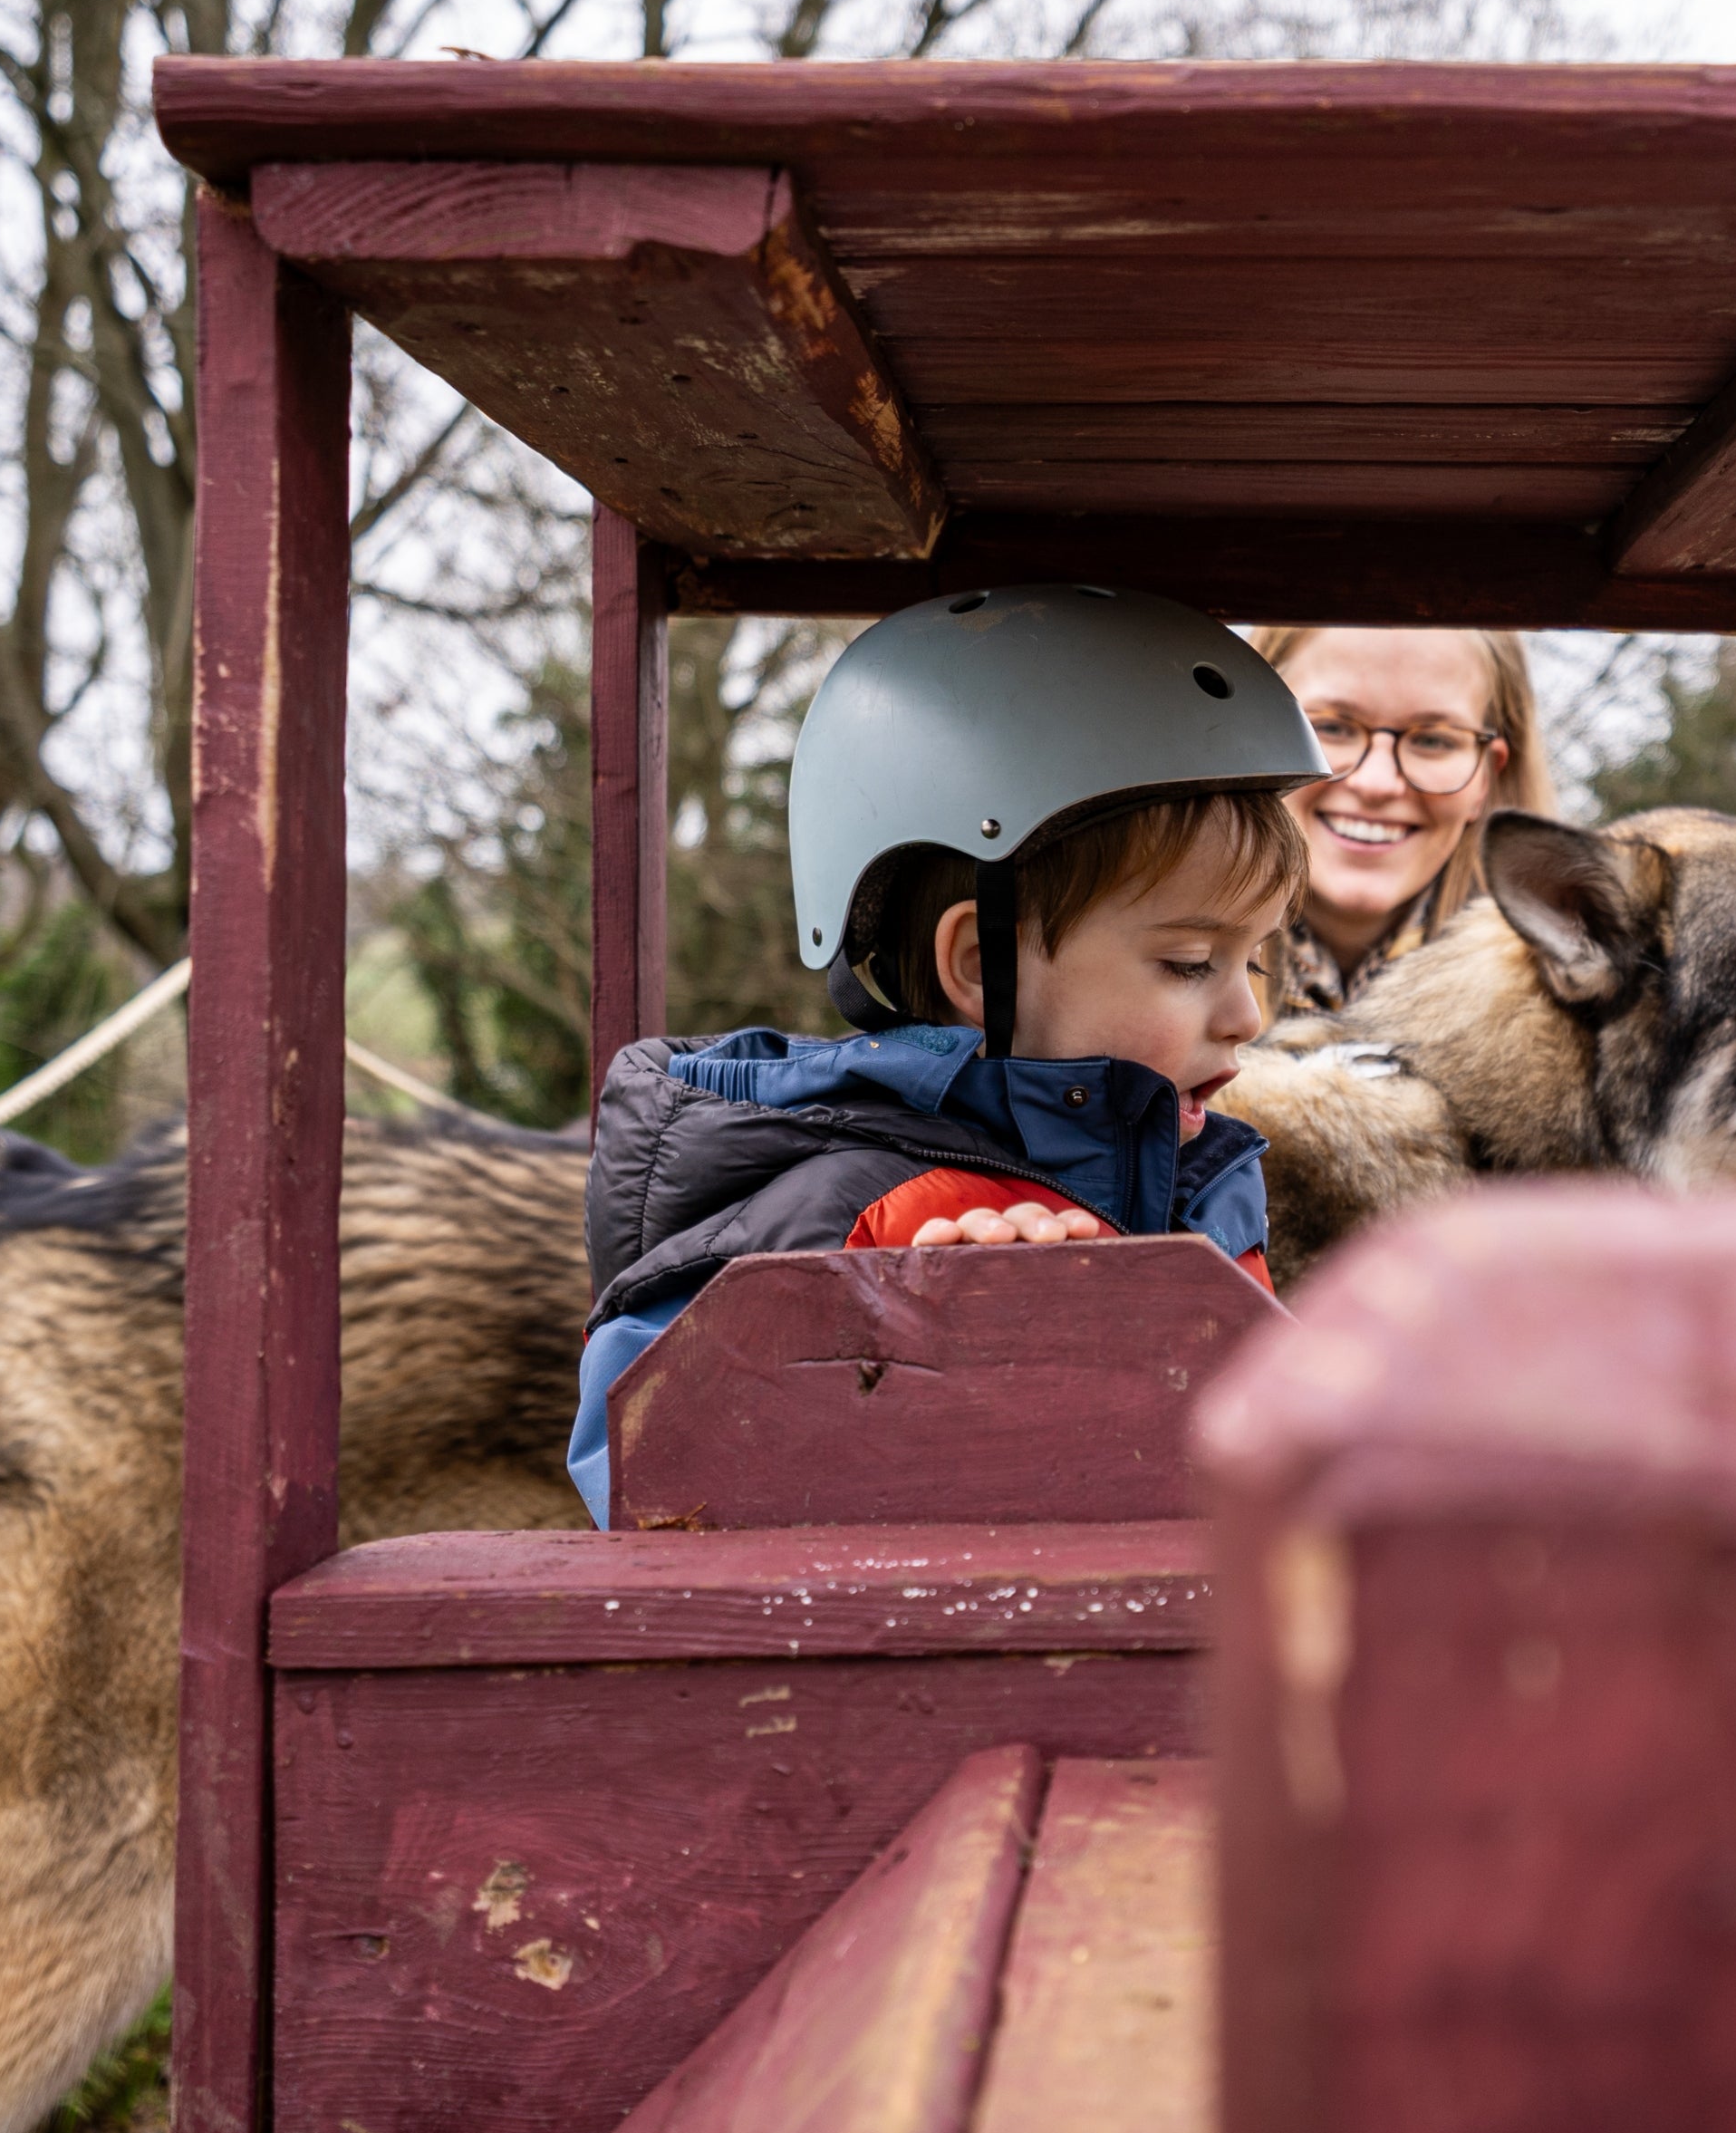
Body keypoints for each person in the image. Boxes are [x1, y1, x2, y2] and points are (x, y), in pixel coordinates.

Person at [566, 584, 1328, 1528]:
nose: (1246, 1012)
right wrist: (932, 1344)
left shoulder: (1203, 1187)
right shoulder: (825, 1213)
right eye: (1187, 962)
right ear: (978, 965)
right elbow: (646, 1474)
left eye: (1251, 958)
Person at [1249, 626, 1557, 1010]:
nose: (1377, 784)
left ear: (1486, 777)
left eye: (1432, 740)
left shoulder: (1580, 1002)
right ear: (1248, 732)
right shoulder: (1151, 978)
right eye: (1331, 726)